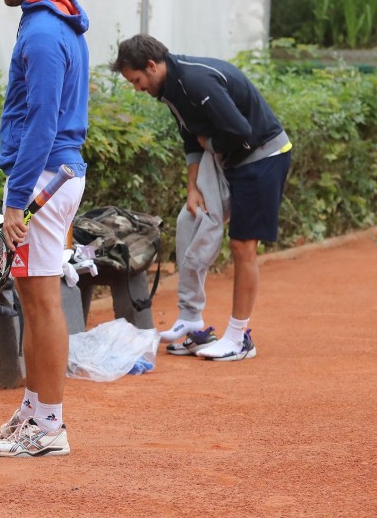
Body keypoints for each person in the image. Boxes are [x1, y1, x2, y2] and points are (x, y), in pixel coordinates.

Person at [110, 34, 292, 361]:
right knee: (190, 219)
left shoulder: (195, 81)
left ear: (151, 66)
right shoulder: (167, 89)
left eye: (136, 80)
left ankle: (240, 337)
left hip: (263, 158)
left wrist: (209, 145)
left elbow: (239, 131)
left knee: (243, 245)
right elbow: (192, 138)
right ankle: (192, 323)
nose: (137, 88)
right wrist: (193, 187)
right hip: (229, 158)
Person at [0, 0, 89, 457]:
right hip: (50, 176)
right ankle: (35, 408)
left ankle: (48, 426)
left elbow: (43, 124)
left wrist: (18, 199)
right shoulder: (54, 22)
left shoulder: (44, 32)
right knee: (33, 299)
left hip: (43, 180)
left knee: (42, 303)